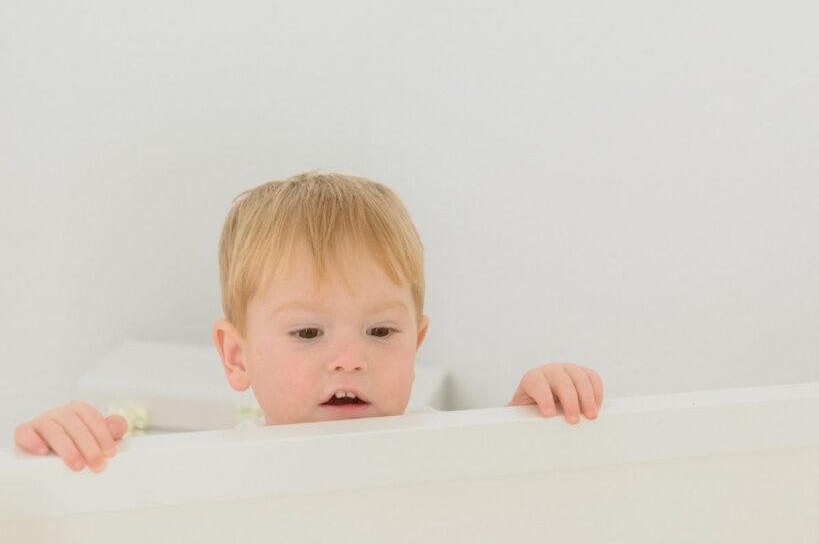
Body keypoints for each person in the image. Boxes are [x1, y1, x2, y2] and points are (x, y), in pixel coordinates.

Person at [13, 171, 604, 472]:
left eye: (381, 332)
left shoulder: (438, 448)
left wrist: (528, 418)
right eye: (307, 333)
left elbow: (504, 505)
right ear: (237, 357)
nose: (350, 357)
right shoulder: (213, 472)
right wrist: (60, 457)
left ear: (416, 343)